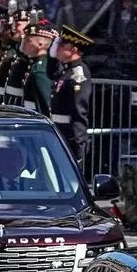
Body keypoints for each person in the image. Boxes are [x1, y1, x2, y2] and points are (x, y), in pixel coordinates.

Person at [49, 25, 94, 170]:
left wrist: (78, 147)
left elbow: (78, 111)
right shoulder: (66, 70)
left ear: (74, 50)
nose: (58, 47)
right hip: (59, 134)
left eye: (62, 45)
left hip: (68, 137)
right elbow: (50, 72)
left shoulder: (78, 73)